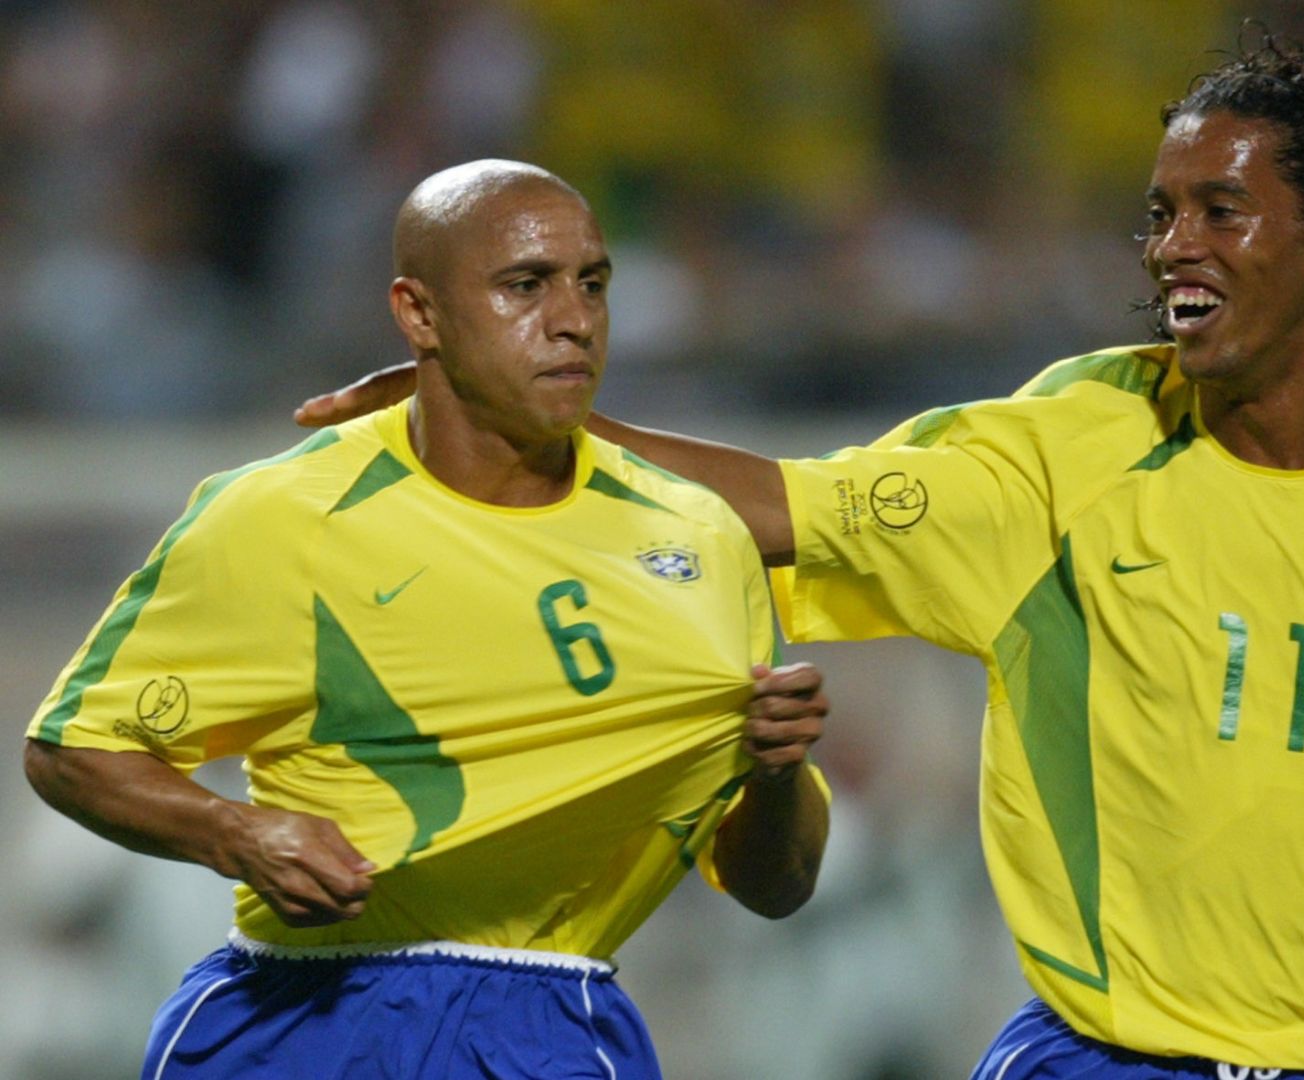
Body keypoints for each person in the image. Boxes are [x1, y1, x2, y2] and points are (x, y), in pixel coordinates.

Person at [298, 38, 1304, 1080]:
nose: (1171, 248)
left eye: (1223, 210)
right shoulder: (1067, 450)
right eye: (1157, 216)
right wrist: (513, 426)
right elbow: (783, 506)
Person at [24, 159, 832, 1080]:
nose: (572, 319)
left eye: (593, 284)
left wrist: (777, 774)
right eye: (525, 285)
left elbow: (778, 887)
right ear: (418, 313)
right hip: (297, 1015)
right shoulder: (288, 517)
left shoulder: (699, 537)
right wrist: (237, 834)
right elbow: (71, 749)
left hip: (549, 1027)